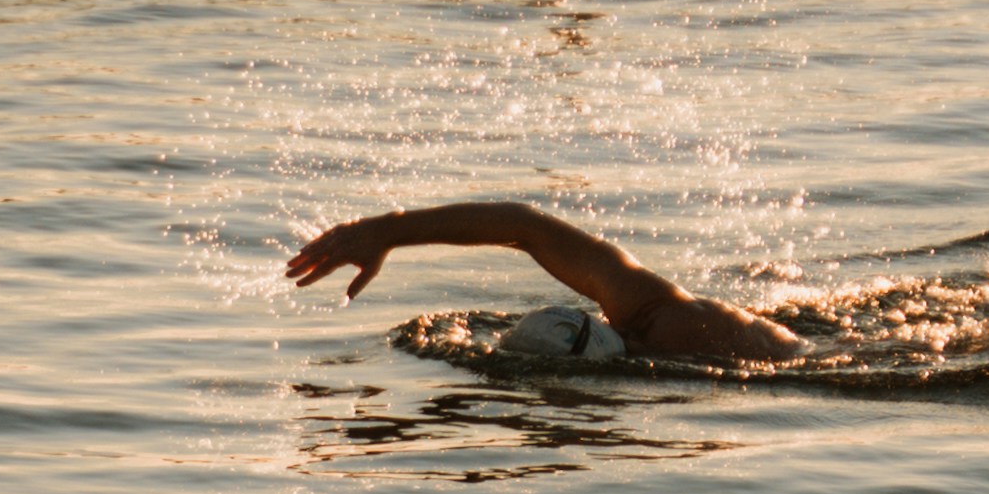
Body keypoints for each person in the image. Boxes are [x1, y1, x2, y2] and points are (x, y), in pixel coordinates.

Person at [285, 198, 801, 370]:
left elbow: (525, 225)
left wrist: (387, 230)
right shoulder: (633, 308)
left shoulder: (668, 323)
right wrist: (387, 233)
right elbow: (525, 226)